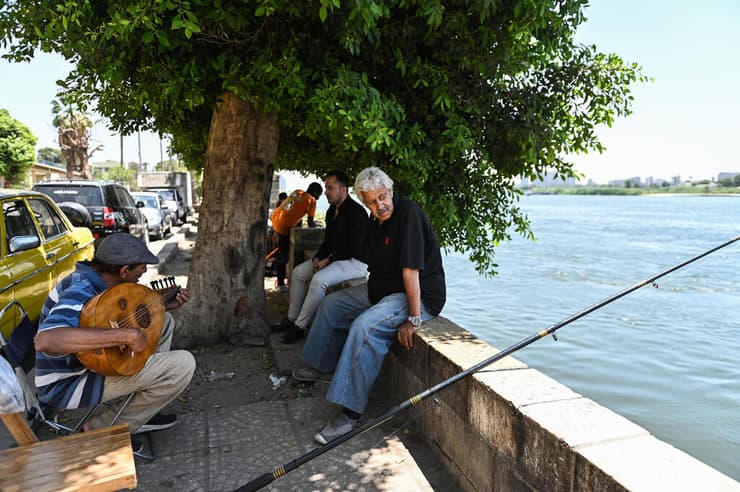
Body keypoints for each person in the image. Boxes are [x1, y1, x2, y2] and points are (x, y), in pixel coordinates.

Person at [294, 167, 446, 445]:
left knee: (365, 326)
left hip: (416, 295)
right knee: (332, 304)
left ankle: (350, 414)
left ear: (391, 190)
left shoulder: (408, 214)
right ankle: (321, 366)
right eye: (371, 202)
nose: (380, 205)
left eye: (383, 197)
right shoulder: (376, 221)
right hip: (382, 290)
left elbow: (411, 272)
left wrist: (414, 318)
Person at [34, 233, 195, 442]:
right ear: (124, 270)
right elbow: (45, 340)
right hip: (68, 382)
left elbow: (108, 319)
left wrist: (164, 306)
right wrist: (124, 335)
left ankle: (142, 404)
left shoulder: (99, 281)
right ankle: (100, 428)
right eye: (141, 267)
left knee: (164, 321)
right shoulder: (80, 291)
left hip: (91, 364)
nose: (145, 271)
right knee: (182, 365)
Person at [276, 171, 370, 344]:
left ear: (343, 190)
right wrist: (317, 257)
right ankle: (291, 318)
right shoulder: (331, 211)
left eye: (330, 188)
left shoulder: (357, 213)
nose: (326, 191)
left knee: (319, 280)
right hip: (337, 258)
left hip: (356, 262)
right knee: (298, 273)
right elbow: (328, 240)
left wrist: (328, 260)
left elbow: (353, 248)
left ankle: (299, 326)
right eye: (326, 187)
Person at [270, 182, 323, 290]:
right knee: (283, 256)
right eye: (319, 195)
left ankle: (280, 282)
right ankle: (280, 285)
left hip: (276, 220)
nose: (318, 198)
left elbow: (287, 207)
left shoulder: (297, 192)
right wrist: (315, 224)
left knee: (281, 253)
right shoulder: (311, 201)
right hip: (284, 228)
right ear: (315, 193)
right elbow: (310, 222)